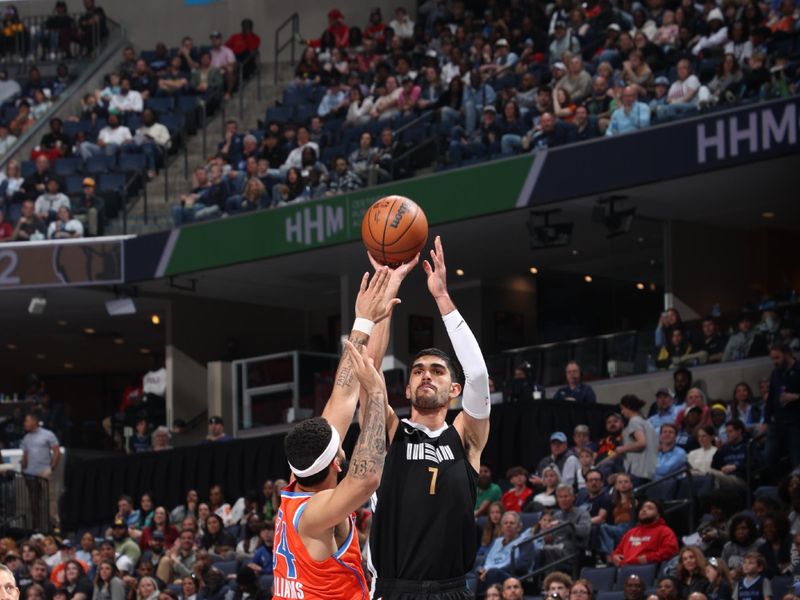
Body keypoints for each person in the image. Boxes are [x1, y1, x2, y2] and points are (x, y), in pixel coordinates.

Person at [327, 236, 488, 599]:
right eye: (417, 371)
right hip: (394, 589)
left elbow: (477, 374)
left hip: (452, 590)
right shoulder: (389, 430)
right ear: (406, 388)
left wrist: (442, 298)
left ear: (454, 391)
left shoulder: (465, 437)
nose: (426, 375)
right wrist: (391, 287)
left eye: (436, 370)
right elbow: (367, 368)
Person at [273, 269, 396, 599]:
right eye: (341, 450)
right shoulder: (314, 514)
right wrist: (378, 397)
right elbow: (368, 477)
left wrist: (368, 318)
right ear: (337, 465)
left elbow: (345, 393)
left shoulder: (299, 476)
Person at [21, 412, 61, 532]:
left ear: (34, 421)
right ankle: (36, 527)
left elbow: (56, 451)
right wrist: (23, 468)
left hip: (44, 471)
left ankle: (55, 527)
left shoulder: (47, 434)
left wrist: (52, 467)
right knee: (33, 502)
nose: (25, 424)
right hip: (30, 473)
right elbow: (25, 455)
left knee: (50, 500)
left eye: (26, 421)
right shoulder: (26, 438)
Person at [764, 343, 800, 473]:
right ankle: (780, 485)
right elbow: (770, 399)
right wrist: (767, 420)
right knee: (768, 456)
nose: (774, 362)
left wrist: (796, 396)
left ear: (787, 354)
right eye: (772, 358)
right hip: (777, 423)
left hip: (795, 423)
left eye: (777, 358)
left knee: (796, 459)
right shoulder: (776, 373)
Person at [610, 499, 678, 566]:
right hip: (625, 570)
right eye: (642, 508)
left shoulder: (665, 531)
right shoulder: (631, 532)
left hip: (648, 568)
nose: (644, 510)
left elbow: (669, 551)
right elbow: (618, 550)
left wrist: (647, 558)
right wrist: (615, 556)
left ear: (658, 515)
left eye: (649, 508)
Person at [618, 395, 658, 484]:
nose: (622, 412)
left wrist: (622, 448)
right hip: (649, 470)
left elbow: (642, 443)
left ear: (628, 407)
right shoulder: (647, 422)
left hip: (637, 471)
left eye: (623, 408)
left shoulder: (634, 421)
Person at [597, 473, 636, 556]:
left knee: (603, 527)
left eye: (626, 482)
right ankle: (610, 554)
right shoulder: (613, 502)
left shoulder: (635, 500)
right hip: (617, 527)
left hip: (629, 527)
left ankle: (610, 554)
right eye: (620, 482)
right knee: (600, 527)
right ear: (616, 486)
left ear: (631, 485)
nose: (623, 484)